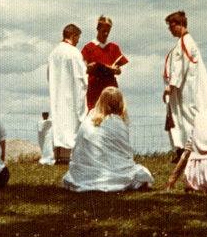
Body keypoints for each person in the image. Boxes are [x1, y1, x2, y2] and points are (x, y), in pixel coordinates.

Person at [62, 87, 154, 192]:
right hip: (111, 170)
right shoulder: (117, 122)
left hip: (82, 172)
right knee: (141, 173)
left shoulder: (89, 119)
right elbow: (125, 152)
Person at [162, 11, 207, 162]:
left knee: (187, 117)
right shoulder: (185, 42)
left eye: (171, 26)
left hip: (186, 89)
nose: (170, 30)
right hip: (184, 88)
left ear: (179, 25)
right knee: (180, 118)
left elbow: (180, 66)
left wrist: (171, 86)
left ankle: (190, 150)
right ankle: (183, 150)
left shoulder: (185, 42)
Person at [47, 23, 88, 164]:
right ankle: (71, 156)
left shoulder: (54, 53)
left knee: (59, 122)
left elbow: (49, 75)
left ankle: (59, 155)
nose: (78, 41)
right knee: (72, 123)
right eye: (78, 38)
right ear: (73, 35)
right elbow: (81, 76)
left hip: (57, 93)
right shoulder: (74, 53)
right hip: (72, 94)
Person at [81, 15, 129, 111]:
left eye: (108, 31)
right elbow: (82, 69)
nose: (106, 33)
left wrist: (116, 70)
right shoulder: (88, 47)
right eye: (104, 31)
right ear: (98, 28)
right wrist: (88, 67)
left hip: (110, 87)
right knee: (94, 115)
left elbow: (119, 71)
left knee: (113, 113)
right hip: (94, 87)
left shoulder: (114, 47)